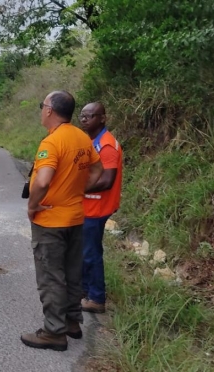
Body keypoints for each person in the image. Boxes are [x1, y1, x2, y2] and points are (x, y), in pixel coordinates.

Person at [20, 91, 103, 352]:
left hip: (51, 221)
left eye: (42, 105)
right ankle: (72, 322)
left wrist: (32, 206)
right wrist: (77, 190)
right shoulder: (81, 137)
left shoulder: (52, 142)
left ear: (50, 110)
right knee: (71, 273)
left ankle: (53, 333)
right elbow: (98, 170)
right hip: (76, 217)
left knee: (51, 277)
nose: (41, 110)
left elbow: (43, 180)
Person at [79, 102, 123, 314]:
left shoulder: (106, 145)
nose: (85, 119)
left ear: (103, 118)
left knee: (91, 252)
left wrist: (76, 187)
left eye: (90, 116)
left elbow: (107, 180)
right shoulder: (91, 141)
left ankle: (96, 298)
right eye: (82, 116)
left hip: (97, 206)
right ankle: (85, 290)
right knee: (84, 250)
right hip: (88, 204)